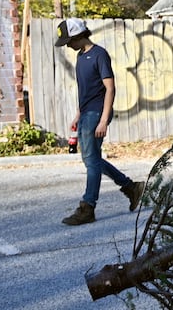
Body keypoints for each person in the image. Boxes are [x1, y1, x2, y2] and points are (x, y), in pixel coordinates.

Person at [55, 18, 144, 226]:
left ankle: (88, 207)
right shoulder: (80, 56)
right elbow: (85, 91)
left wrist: (104, 120)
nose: (68, 45)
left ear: (79, 36)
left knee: (91, 160)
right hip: (86, 113)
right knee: (92, 160)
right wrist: (78, 114)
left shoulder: (99, 54)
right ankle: (131, 187)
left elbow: (110, 89)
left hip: (97, 114)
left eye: (69, 40)